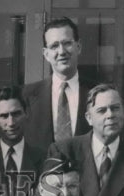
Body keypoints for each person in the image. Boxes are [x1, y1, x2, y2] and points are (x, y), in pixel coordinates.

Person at [22, 17, 91, 150]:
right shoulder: (27, 96)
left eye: (67, 43)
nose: (61, 51)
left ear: (79, 47)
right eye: (54, 46)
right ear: (46, 54)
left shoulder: (98, 92)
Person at [0, 86, 48, 196]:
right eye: (4, 116)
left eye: (16, 114)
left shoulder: (44, 159)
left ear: (26, 114)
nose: (11, 123)